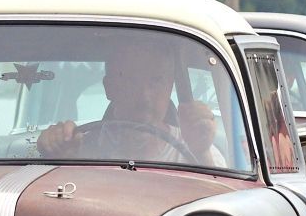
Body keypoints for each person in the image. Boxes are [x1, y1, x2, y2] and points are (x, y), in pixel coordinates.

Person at [38, 39, 221, 165]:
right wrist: (57, 151)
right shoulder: (79, 149)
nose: (144, 96)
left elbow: (220, 211)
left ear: (169, 87)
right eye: (130, 80)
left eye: (156, 81)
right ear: (109, 88)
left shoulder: (197, 148)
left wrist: (201, 153)